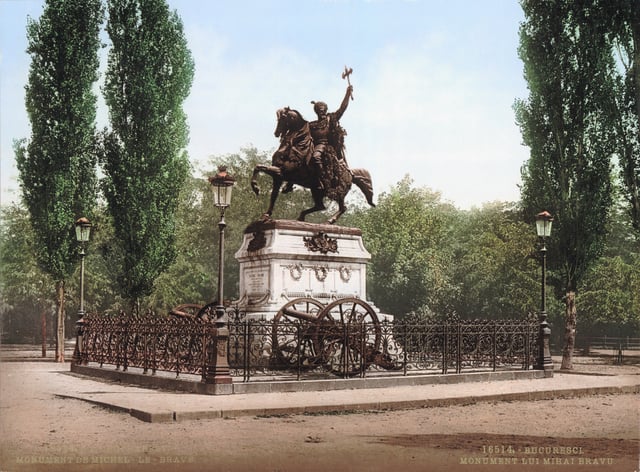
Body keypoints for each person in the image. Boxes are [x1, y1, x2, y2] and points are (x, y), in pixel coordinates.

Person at [308, 84, 353, 189]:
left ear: (326, 110)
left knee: (316, 157)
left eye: (323, 110)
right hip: (313, 146)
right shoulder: (311, 125)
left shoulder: (331, 118)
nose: (322, 112)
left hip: (325, 146)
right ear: (317, 112)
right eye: (319, 110)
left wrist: (347, 94)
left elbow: (342, 108)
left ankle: (323, 180)